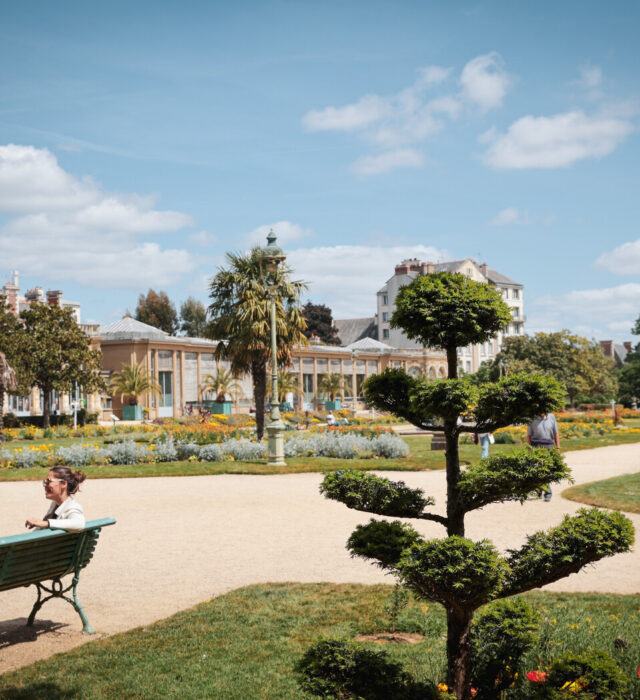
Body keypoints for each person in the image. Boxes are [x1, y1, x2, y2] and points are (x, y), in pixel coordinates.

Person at [25, 466, 86, 532]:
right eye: (45, 481)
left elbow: (79, 524)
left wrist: (46, 523)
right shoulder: (55, 504)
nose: (44, 485)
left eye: (48, 481)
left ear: (63, 484)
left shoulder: (72, 507)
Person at [526, 413, 560, 501]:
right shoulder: (532, 418)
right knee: (537, 470)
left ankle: (545, 492)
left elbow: (556, 433)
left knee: (546, 469)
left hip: (548, 446)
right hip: (535, 447)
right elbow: (529, 435)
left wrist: (558, 447)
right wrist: (528, 449)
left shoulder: (551, 417)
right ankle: (542, 492)